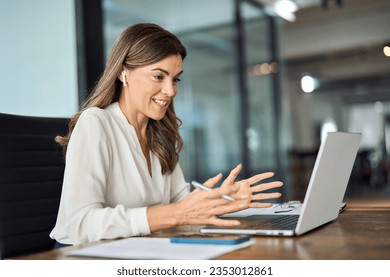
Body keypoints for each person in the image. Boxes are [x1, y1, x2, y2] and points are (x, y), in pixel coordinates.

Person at [50, 23, 283, 247]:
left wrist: (224, 201)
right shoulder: (96, 123)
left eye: (175, 79)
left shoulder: (159, 132)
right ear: (123, 73)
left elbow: (182, 206)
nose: (171, 91)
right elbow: (79, 224)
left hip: (139, 250)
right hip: (82, 258)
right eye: (158, 76)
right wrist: (175, 214)